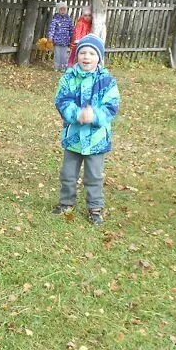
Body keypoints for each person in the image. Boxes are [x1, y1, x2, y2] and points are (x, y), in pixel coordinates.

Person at [53, 34, 120, 226]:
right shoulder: (69, 78)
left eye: (92, 53)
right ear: (77, 55)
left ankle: (95, 208)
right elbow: (62, 100)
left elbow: (111, 106)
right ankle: (66, 203)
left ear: (99, 57)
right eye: (82, 52)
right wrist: (77, 114)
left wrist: (95, 115)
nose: (86, 57)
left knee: (94, 176)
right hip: (74, 137)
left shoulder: (107, 81)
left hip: (97, 139)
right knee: (68, 174)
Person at [47, 2, 74, 70]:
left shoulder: (69, 19)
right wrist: (50, 37)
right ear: (58, 10)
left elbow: (71, 30)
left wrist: (72, 39)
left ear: (66, 10)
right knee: (57, 54)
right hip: (57, 41)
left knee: (65, 55)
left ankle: (64, 67)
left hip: (66, 41)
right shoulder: (55, 19)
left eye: (64, 9)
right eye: (61, 9)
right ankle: (57, 66)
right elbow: (52, 29)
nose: (62, 11)